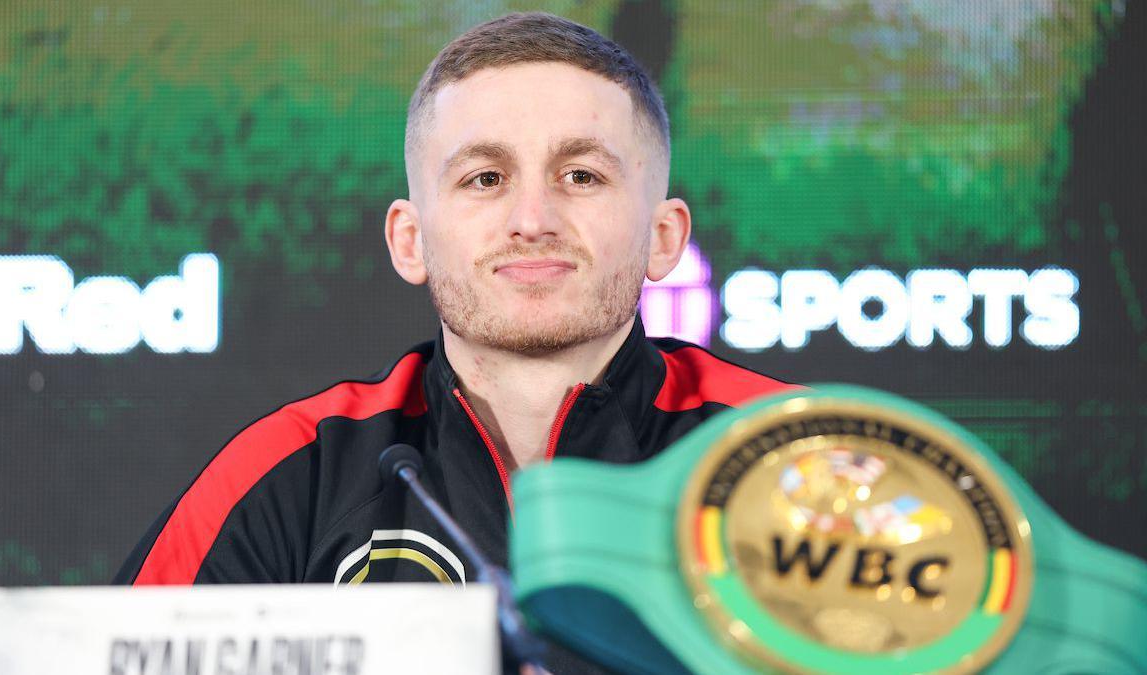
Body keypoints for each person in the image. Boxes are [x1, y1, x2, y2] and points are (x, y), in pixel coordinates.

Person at [115, 11, 795, 673]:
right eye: (485, 178)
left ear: (665, 236)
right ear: (410, 240)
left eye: (581, 175)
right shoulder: (288, 471)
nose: (532, 220)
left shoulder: (799, 456)